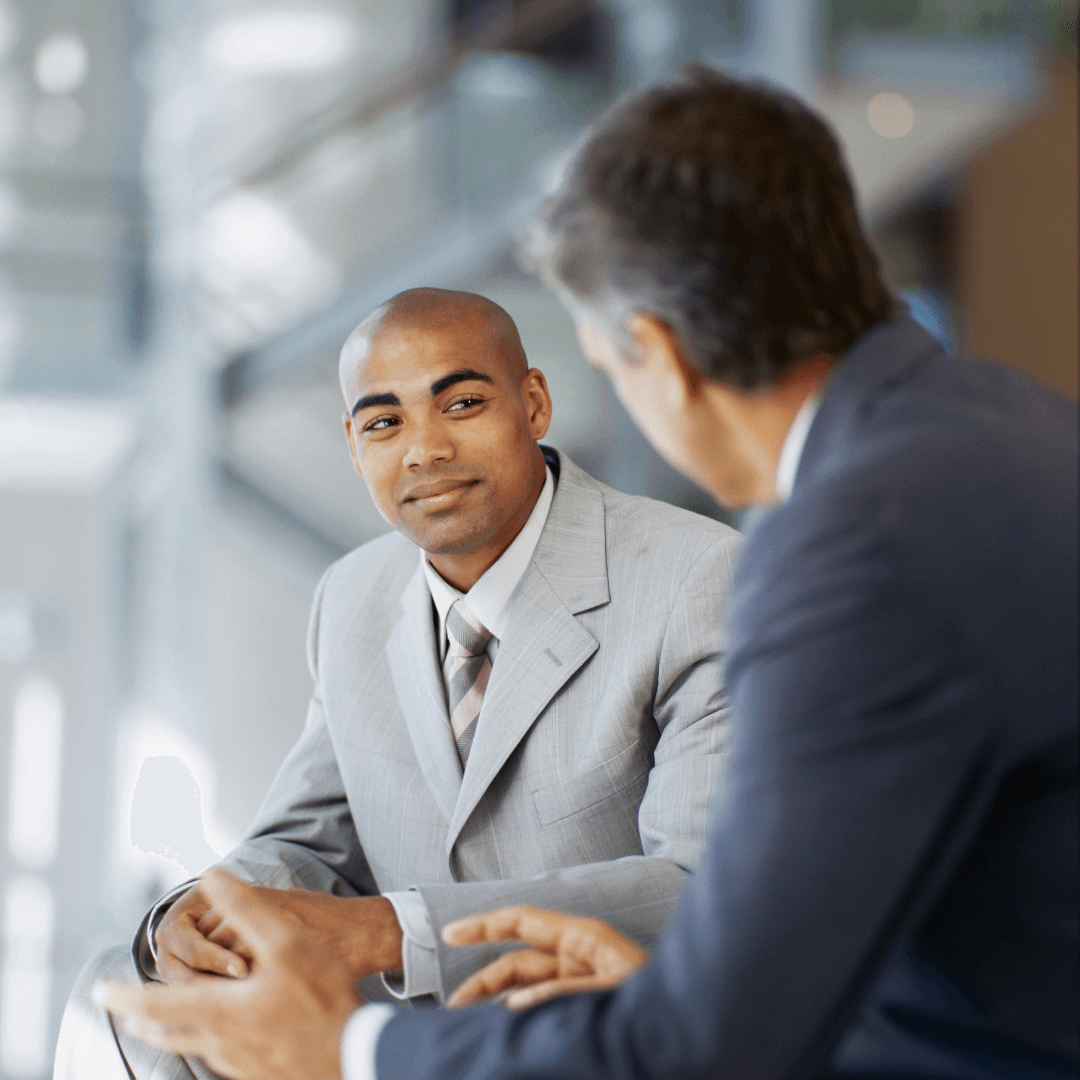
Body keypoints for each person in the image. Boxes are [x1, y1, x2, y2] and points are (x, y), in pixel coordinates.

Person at [100, 67, 1079, 1080]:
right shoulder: (1000, 429)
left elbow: (708, 1042)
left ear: (651, 355)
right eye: (384, 421)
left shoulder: (845, 547)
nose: (425, 449)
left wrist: (353, 1045)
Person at [58, 286, 742, 1076]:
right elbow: (307, 839)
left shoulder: (697, 578)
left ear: (534, 402)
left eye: (460, 403)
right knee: (117, 995)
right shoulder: (352, 596)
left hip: (603, 1041)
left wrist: (392, 930)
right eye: (385, 422)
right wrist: (198, 919)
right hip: (409, 1042)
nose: (424, 450)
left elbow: (699, 886)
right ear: (354, 447)